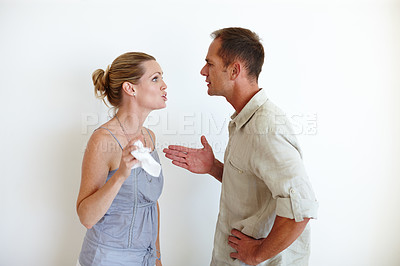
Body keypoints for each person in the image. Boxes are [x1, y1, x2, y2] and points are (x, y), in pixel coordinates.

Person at [163, 27, 318, 265]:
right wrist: (213, 167)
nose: (203, 71)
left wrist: (257, 254)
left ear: (234, 70)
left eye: (210, 64)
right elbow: (256, 190)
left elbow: (301, 210)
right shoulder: (244, 122)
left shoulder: (265, 127)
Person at [76, 52, 167, 266]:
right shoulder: (102, 140)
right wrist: (120, 176)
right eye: (155, 78)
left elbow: (151, 204)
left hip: (145, 258)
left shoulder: (149, 136)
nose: (164, 85)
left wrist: (158, 257)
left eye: (162, 77)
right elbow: (86, 218)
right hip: (106, 259)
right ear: (130, 88)